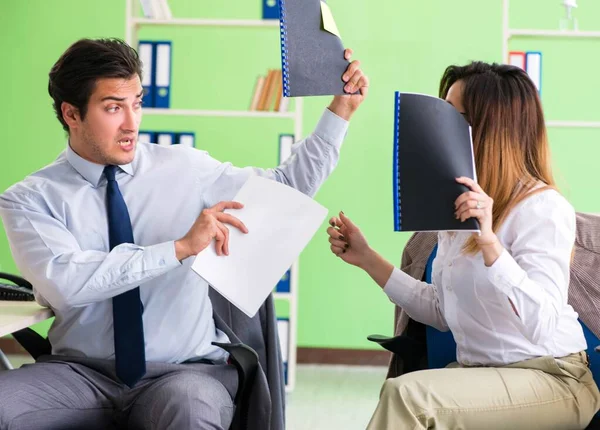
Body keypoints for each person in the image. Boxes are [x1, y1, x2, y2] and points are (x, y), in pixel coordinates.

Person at [0, 37, 368, 430]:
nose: (131, 123)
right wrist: (178, 248)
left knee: (189, 412)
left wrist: (340, 110)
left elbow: (287, 187)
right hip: (79, 375)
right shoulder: (29, 199)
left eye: (137, 103)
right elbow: (67, 284)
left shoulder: (184, 168)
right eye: (113, 108)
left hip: (182, 374)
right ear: (71, 114)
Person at [326, 61, 600, 429]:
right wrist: (366, 258)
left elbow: (544, 324)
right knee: (405, 393)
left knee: (407, 397)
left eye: (453, 117)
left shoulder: (542, 208)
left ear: (490, 129)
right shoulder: (458, 210)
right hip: (484, 374)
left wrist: (489, 243)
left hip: (553, 378)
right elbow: (442, 309)